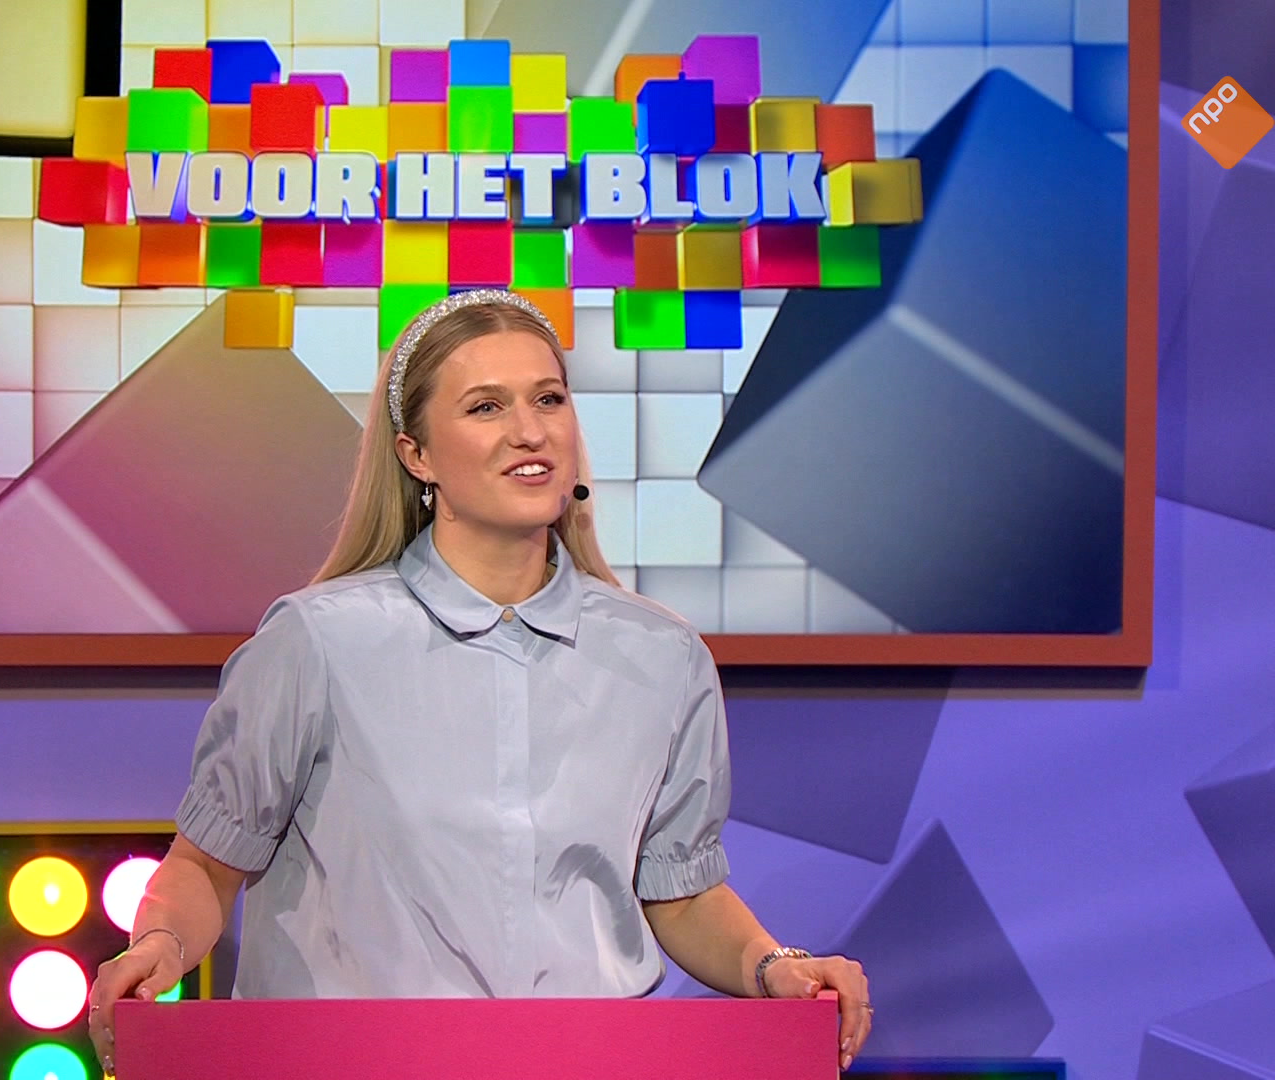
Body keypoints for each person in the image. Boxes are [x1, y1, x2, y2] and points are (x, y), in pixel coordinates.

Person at [86, 290, 873, 1071]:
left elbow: (683, 894)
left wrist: (775, 968)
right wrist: (157, 946)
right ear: (416, 456)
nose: (530, 431)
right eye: (486, 407)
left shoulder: (664, 657)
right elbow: (206, 863)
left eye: (548, 399)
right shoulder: (318, 641)